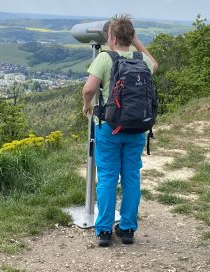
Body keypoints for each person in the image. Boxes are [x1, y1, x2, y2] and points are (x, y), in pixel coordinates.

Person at [81, 14, 158, 247]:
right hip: (137, 129)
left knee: (106, 178)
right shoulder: (141, 60)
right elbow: (155, 64)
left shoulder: (105, 58)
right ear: (131, 37)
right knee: (132, 177)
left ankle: (104, 230)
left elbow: (89, 89)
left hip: (109, 129)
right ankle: (127, 229)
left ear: (111, 38)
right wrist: (137, 43)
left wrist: (88, 106)